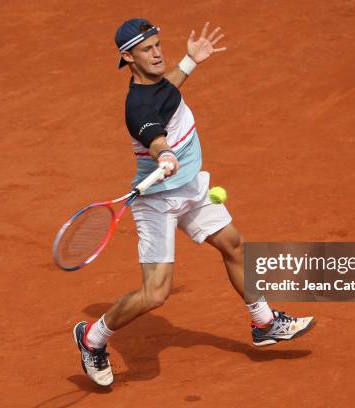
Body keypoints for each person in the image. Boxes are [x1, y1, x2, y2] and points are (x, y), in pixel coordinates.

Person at [72, 18, 316, 387]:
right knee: (155, 294)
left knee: (234, 244)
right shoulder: (137, 108)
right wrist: (164, 154)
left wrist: (190, 61)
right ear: (128, 57)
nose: (156, 53)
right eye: (147, 49)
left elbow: (168, 88)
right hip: (158, 202)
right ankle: (92, 337)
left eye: (157, 44)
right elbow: (153, 135)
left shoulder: (155, 84)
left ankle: (265, 323)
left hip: (191, 189)